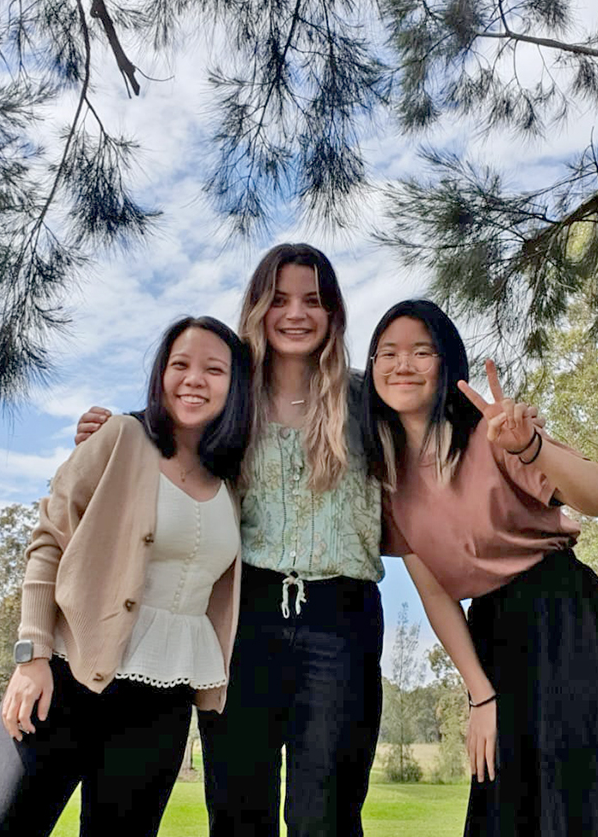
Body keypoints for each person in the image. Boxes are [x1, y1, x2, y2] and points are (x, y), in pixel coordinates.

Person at [74, 244, 384, 837]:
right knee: (240, 805)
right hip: (246, 617)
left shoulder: (365, 399)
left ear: (334, 313)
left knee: (328, 810)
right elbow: (169, 428)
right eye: (280, 299)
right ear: (258, 307)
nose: (295, 313)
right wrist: (112, 430)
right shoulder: (232, 398)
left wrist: (519, 444)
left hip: (342, 620)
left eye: (313, 301)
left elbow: (436, 432)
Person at [361, 299, 598, 837]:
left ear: (446, 364)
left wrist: (532, 447)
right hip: (495, 634)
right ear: (372, 366)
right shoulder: (389, 481)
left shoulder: (495, 434)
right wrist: (480, 694)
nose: (403, 365)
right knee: (513, 802)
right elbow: (436, 595)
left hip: (567, 618)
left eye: (422, 352)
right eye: (388, 353)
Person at [0, 315, 252, 837]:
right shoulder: (121, 436)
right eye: (180, 364)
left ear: (235, 388)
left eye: (215, 369)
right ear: (160, 374)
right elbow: (49, 539)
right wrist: (30, 658)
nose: (195, 379)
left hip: (161, 703)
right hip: (64, 680)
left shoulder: (234, 479)